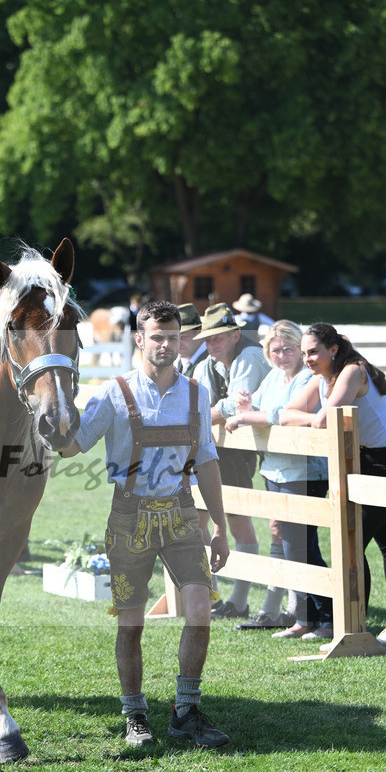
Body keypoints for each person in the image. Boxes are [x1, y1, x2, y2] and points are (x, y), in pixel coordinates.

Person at [59, 300, 230, 748]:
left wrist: (220, 527)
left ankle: (185, 712)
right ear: (139, 339)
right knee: (131, 624)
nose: (165, 345)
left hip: (181, 513)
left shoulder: (196, 393)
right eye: (157, 337)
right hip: (129, 516)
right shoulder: (113, 392)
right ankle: (135, 715)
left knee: (200, 612)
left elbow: (207, 460)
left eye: (173, 337)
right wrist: (52, 417)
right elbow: (72, 446)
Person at [280, 323, 386, 648]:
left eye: (313, 352)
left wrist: (315, 419)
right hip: (364, 459)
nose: (308, 359)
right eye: (304, 353)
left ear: (333, 349)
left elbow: (325, 419)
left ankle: (355, 629)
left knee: (352, 542)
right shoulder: (321, 378)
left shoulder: (353, 371)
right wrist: (313, 419)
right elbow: (287, 415)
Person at [226, 321, 332, 639]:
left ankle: (326, 617)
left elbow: (283, 415)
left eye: (288, 349)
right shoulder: (273, 376)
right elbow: (260, 407)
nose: (282, 355)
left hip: (304, 472)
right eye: (275, 350)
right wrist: (246, 407)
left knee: (299, 548)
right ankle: (306, 618)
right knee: (293, 546)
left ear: (299, 350)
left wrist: (246, 416)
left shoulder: (308, 379)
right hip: (275, 470)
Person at [192, 303, 271, 619]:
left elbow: (234, 405)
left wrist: (202, 417)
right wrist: (205, 414)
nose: (211, 345)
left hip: (242, 450)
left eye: (218, 338)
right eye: (208, 339)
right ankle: (214, 597)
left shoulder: (249, 355)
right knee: (202, 518)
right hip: (217, 448)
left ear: (235, 335)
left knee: (238, 521)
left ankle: (239, 601)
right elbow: (197, 402)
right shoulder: (208, 364)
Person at [176, 302, 207, 374]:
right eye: (174, 338)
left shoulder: (210, 363)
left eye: (182, 337)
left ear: (198, 332)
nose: (177, 344)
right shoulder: (178, 361)